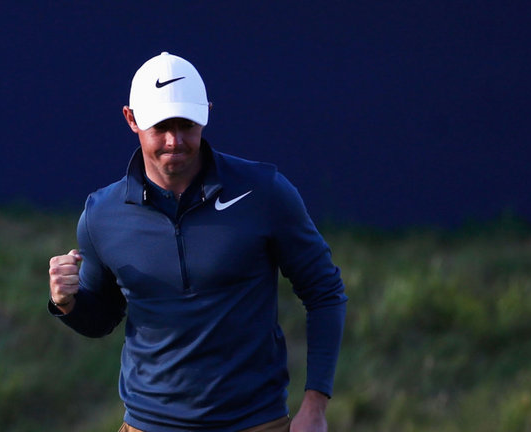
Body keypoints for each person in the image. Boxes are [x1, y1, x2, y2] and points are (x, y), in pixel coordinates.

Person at [48, 52, 347, 432]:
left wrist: (315, 403)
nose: (175, 141)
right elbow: (103, 318)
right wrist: (68, 302)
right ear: (131, 119)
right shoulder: (100, 215)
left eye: (187, 124)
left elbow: (324, 291)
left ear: (206, 112)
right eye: (161, 126)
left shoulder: (265, 192)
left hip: (255, 423)